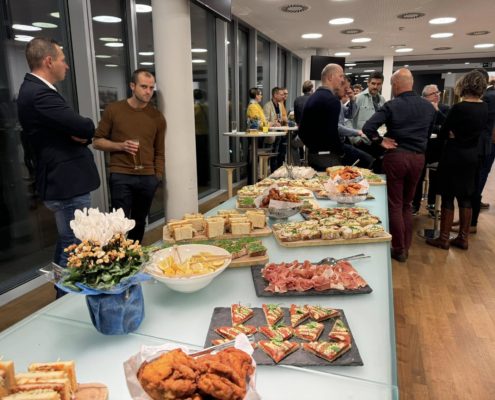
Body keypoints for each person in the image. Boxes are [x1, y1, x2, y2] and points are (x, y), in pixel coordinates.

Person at [17, 37, 100, 272]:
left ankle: (61, 295)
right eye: (63, 60)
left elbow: (79, 132)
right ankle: (64, 298)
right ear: (48, 61)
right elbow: (85, 126)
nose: (67, 66)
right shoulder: (39, 94)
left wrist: (79, 133)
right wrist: (81, 131)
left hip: (65, 182)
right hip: (65, 184)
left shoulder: (38, 91)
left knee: (68, 243)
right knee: (74, 247)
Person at [362, 68, 435, 262]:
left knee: (394, 204)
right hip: (418, 158)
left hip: (397, 157)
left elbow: (368, 128)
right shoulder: (429, 107)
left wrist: (380, 141)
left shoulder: (392, 106)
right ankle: (406, 247)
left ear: (395, 85)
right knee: (407, 204)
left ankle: (398, 247)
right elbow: (429, 134)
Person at [93, 69, 165, 243]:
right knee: (118, 224)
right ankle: (119, 259)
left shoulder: (157, 117)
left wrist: (157, 176)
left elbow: (160, 151)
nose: (148, 91)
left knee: (139, 222)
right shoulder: (114, 110)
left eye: (151, 87)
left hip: (148, 177)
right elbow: (97, 141)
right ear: (132, 86)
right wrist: (120, 145)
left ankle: (135, 257)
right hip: (121, 176)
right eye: (143, 87)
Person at [426, 70, 488, 250]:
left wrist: (453, 134)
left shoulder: (459, 108)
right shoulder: (483, 107)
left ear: (465, 85)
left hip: (454, 155)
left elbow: (445, 132)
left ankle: (444, 238)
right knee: (466, 197)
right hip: (472, 155)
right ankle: (463, 238)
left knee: (447, 195)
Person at [298, 63, 346, 170]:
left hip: (313, 155)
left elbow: (301, 131)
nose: (343, 80)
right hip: (329, 157)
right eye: (341, 76)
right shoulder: (332, 100)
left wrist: (313, 146)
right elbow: (332, 131)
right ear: (330, 77)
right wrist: (341, 151)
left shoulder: (312, 98)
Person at [412, 84, 450, 216]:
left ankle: (432, 204)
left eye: (437, 93)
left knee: (436, 177)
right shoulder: (420, 109)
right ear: (425, 97)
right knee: (418, 175)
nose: (437, 95)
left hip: (438, 149)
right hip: (423, 147)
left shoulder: (444, 108)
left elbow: (446, 127)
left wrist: (437, 111)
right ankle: (415, 204)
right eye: (433, 94)